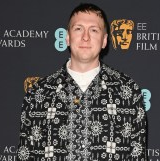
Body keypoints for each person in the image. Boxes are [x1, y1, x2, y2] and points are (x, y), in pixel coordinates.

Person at [17, 3, 147, 161]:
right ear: (67, 38)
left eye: (94, 30)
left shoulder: (128, 93)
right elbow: (25, 155)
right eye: (78, 28)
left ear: (104, 40)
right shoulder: (38, 95)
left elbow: (138, 156)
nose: (85, 37)